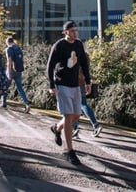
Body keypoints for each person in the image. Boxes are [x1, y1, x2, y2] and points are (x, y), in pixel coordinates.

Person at [46, 20, 92, 165]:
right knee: (67, 115)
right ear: (65, 32)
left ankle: (56, 128)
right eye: (72, 31)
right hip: (62, 84)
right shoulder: (59, 46)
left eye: (76, 31)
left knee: (76, 115)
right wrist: (51, 85)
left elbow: (84, 63)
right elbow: (50, 66)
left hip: (75, 84)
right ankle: (69, 150)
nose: (74, 33)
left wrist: (88, 82)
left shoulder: (78, 44)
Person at [72, 52, 102, 138]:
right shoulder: (85, 55)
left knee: (77, 106)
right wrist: (87, 82)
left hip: (73, 82)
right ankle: (95, 125)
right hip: (82, 82)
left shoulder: (74, 54)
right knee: (82, 104)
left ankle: (75, 128)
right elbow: (86, 70)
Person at [0, 37, 30, 113]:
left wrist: (9, 73)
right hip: (18, 70)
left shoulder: (8, 49)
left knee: (5, 87)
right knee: (20, 88)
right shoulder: (18, 48)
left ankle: (3, 103)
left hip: (11, 70)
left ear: (7, 42)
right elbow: (22, 60)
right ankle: (26, 103)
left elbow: (9, 62)